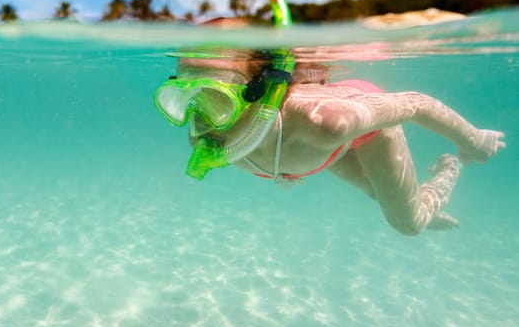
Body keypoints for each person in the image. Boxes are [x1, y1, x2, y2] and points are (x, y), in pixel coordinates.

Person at [154, 50, 506, 235]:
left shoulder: (326, 123)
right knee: (378, 193)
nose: (197, 117)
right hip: (320, 153)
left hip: (359, 129)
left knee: (407, 223)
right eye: (186, 96)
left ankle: (447, 172)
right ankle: (416, 201)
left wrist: (474, 140)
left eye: (214, 96)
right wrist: (281, 170)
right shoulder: (203, 134)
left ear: (259, 89)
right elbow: (248, 146)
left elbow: (417, 103)